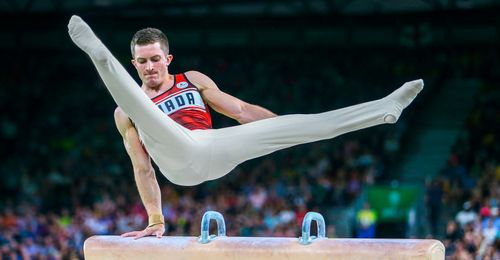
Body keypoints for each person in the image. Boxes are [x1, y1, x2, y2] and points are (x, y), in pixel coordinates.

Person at [67, 15, 424, 239]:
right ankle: (100, 56)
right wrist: (156, 219)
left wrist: (283, 130)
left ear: (168, 59)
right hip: (175, 159)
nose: (149, 67)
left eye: (155, 59)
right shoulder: (125, 114)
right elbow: (142, 168)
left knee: (307, 123)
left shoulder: (192, 80)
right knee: (139, 110)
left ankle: (383, 109)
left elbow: (241, 111)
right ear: (134, 62)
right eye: (142, 62)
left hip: (214, 147)